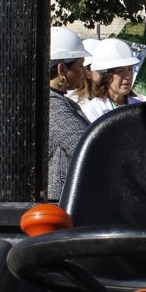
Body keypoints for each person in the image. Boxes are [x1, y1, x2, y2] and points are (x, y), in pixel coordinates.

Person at [46, 28, 92, 200]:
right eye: (80, 65)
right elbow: (85, 145)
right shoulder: (52, 105)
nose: (84, 72)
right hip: (60, 206)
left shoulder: (58, 101)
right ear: (61, 69)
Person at [77, 38, 146, 122]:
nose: (127, 76)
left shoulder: (140, 107)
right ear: (105, 76)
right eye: (119, 71)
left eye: (130, 69)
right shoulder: (91, 110)